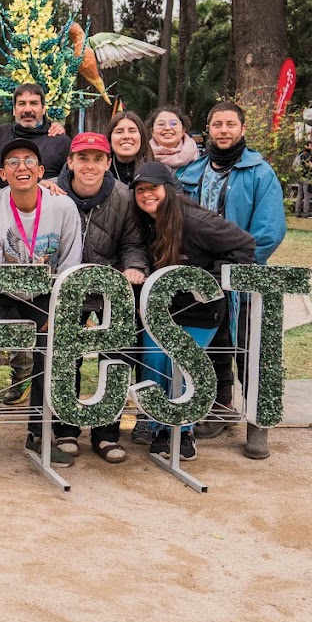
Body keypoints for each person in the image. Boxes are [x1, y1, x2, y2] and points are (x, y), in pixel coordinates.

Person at [177, 101, 287, 458]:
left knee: (253, 346)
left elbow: (269, 230)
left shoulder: (259, 173)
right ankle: (218, 407)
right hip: (203, 277)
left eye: (230, 125)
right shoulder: (192, 173)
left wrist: (235, 263)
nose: (223, 131)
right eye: (217, 125)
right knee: (213, 343)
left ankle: (258, 423)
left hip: (247, 276)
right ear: (207, 130)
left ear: (242, 129)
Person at [0, 138, 83, 468]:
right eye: (14, 162)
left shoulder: (63, 207)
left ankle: (38, 433)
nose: (23, 167)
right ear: (2, 174)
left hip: (45, 294)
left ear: (41, 171)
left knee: (50, 353)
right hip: (2, 293)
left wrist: (53, 309)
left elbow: (70, 263)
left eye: (29, 161)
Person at [132, 162, 256, 463]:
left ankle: (183, 429)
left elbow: (245, 245)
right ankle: (157, 425)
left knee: (186, 366)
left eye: (153, 188)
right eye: (140, 190)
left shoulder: (196, 220)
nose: (147, 195)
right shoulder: (143, 221)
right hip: (161, 309)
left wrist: (206, 279)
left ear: (169, 190)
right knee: (154, 360)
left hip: (200, 310)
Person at [56, 132, 149, 463]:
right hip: (65, 290)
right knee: (66, 359)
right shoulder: (51, 192)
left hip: (109, 288)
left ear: (108, 163)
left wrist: (134, 266)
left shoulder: (123, 197)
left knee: (116, 356)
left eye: (97, 158)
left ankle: (106, 432)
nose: (90, 165)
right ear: (70, 162)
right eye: (82, 158)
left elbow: (132, 242)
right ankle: (64, 429)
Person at [0, 84, 71, 183]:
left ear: (43, 109)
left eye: (34, 103)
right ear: (14, 110)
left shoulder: (60, 141)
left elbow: (69, 182)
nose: (27, 110)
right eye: (22, 104)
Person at [106, 111, 153, 187]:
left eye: (132, 131)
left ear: (142, 137)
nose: (126, 136)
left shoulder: (162, 170)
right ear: (110, 140)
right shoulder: (100, 173)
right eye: (119, 132)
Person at [148, 106, 200, 172]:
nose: (167, 128)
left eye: (174, 123)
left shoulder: (200, 162)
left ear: (183, 130)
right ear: (152, 131)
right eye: (161, 124)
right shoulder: (143, 157)